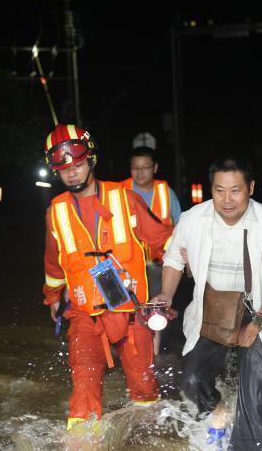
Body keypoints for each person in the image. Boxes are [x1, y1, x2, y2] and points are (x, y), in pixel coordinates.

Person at [150, 158, 262, 450]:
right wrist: (165, 294)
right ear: (211, 190)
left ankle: (247, 446)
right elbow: (175, 257)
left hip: (258, 312)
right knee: (191, 380)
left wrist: (257, 324)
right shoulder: (193, 219)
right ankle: (217, 411)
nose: (227, 200)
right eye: (219, 191)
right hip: (211, 311)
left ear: (250, 188)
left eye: (235, 190)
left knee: (254, 395)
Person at [42, 124, 174, 430]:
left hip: (132, 316)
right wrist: (52, 297)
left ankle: (149, 439)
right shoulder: (55, 212)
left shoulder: (125, 199)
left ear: (91, 160)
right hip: (85, 318)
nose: (72, 174)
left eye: (77, 165)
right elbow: (53, 264)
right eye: (65, 169)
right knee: (83, 395)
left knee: (144, 390)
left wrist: (189, 268)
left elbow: (165, 243)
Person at [121, 146, 182, 354]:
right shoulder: (119, 192)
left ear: (154, 167)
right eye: (135, 168)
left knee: (156, 311)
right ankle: (126, 353)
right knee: (124, 313)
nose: (140, 172)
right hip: (125, 266)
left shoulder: (166, 193)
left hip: (157, 265)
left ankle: (153, 356)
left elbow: (180, 228)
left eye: (145, 167)